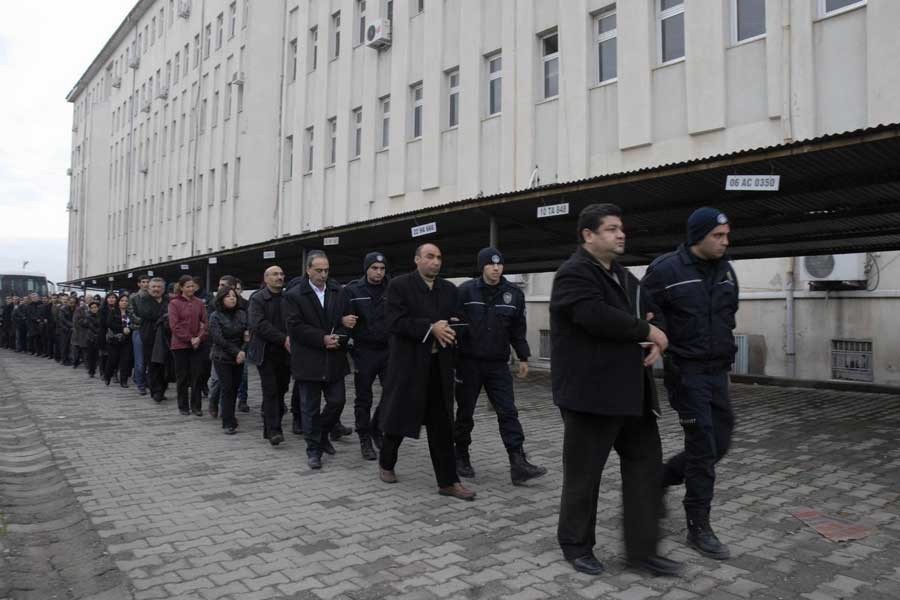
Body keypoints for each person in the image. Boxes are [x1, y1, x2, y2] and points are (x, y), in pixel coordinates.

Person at [550, 203, 681, 577]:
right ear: (587, 235)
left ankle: (642, 552)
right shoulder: (573, 275)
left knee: (645, 472)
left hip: (632, 394)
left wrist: (658, 335)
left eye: (621, 228)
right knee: (584, 475)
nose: (620, 234)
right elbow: (595, 316)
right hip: (590, 395)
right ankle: (576, 546)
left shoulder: (626, 278)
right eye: (610, 229)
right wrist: (646, 332)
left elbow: (650, 313)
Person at [641, 207, 738, 561]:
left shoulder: (726, 271)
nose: (725, 242)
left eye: (726, 236)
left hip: (717, 372)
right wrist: (662, 344)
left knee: (720, 442)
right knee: (702, 448)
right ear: (698, 235)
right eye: (718, 236)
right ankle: (699, 525)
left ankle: (659, 480)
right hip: (686, 372)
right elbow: (649, 316)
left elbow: (728, 316)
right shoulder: (666, 270)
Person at [377, 243, 475, 501]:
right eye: (430, 256)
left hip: (439, 367)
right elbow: (394, 322)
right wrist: (430, 328)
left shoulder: (448, 289)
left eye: (439, 257)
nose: (436, 261)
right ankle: (386, 462)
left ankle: (448, 482)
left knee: (443, 424)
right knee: (399, 418)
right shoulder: (400, 286)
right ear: (417, 259)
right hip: (409, 367)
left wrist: (453, 327)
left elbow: (459, 319)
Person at [454, 247, 547, 485]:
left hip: (497, 365)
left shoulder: (513, 294)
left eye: (499, 264)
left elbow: (518, 329)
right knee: (465, 413)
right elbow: (455, 327)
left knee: (508, 412)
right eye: (490, 264)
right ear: (482, 266)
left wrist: (524, 357)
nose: (496, 268)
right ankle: (460, 456)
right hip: (469, 363)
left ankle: (518, 463)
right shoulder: (465, 291)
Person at [283, 251, 351, 470]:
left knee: (337, 401)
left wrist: (340, 334)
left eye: (326, 270)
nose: (323, 274)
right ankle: (313, 450)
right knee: (309, 408)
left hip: (334, 358)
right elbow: (295, 326)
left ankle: (322, 434)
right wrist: (321, 339)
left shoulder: (337, 291)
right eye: (319, 270)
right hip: (309, 359)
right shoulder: (294, 295)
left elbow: (345, 320)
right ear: (308, 270)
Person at [340, 251, 390, 460]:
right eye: (374, 268)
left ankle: (377, 427)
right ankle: (364, 438)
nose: (378, 273)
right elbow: (344, 318)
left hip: (388, 350)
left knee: (392, 393)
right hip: (364, 351)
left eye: (382, 269)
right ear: (366, 269)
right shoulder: (353, 290)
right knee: (363, 398)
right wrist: (343, 324)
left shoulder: (393, 288)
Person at [247, 266, 292, 445]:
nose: (279, 277)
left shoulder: (288, 298)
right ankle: (274, 430)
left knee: (282, 389)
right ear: (266, 279)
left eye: (281, 274)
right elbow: (259, 324)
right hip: (266, 352)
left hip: (285, 353)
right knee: (271, 390)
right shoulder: (257, 299)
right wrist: (283, 339)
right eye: (275, 274)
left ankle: (270, 426)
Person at [209, 286, 249, 435]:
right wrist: (237, 351)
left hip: (239, 356)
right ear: (221, 299)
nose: (232, 298)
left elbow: (247, 334)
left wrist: (243, 350)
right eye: (228, 296)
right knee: (227, 387)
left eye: (234, 295)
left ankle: (230, 415)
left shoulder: (242, 314)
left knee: (235, 387)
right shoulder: (215, 316)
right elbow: (218, 339)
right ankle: (227, 421)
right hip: (222, 356)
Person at [168, 275, 209, 416]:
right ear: (181, 288)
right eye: (188, 286)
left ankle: (197, 406)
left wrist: (199, 337)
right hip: (180, 345)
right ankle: (183, 406)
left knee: (197, 376)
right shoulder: (174, 303)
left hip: (198, 345)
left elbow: (205, 322)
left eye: (193, 286)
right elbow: (175, 325)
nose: (191, 289)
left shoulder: (199, 302)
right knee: (182, 377)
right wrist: (190, 338)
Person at [133, 278, 170, 402]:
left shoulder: (167, 300)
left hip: (166, 336)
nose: (156, 289)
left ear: (163, 289)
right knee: (152, 364)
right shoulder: (144, 300)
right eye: (153, 287)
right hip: (149, 335)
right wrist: (165, 316)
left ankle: (162, 389)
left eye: (159, 287)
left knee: (165, 364)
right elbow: (147, 314)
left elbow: (171, 315)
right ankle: (155, 391)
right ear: (149, 288)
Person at [104, 295, 134, 387]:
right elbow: (109, 324)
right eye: (122, 300)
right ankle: (107, 376)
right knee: (113, 360)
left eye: (126, 301)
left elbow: (135, 324)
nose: (124, 302)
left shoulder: (131, 313)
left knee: (125, 361)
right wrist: (122, 329)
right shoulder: (113, 312)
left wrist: (130, 329)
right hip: (115, 340)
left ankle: (123, 381)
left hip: (127, 340)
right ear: (118, 302)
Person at [129, 275, 151, 394]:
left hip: (150, 330)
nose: (146, 284)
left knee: (149, 359)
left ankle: (146, 380)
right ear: (139, 284)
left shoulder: (153, 296)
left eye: (148, 282)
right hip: (139, 329)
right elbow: (131, 314)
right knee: (140, 360)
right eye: (143, 282)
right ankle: (140, 383)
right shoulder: (133, 297)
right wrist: (146, 320)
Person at [81, 300, 103, 378]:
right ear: (90, 309)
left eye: (95, 307)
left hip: (100, 338)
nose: (94, 309)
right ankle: (91, 371)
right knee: (91, 356)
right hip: (91, 338)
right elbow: (84, 324)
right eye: (92, 307)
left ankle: (101, 372)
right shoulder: (87, 316)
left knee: (100, 356)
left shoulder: (101, 316)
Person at [98, 293, 118, 376]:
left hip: (116, 334)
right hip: (104, 334)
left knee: (114, 355)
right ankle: (103, 372)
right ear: (106, 299)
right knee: (104, 355)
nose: (111, 299)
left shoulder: (118, 309)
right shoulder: (102, 309)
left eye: (113, 298)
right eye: (109, 297)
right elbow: (102, 322)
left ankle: (114, 373)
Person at [56, 296, 75, 364]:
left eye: (73, 302)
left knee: (69, 346)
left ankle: (68, 359)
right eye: (71, 302)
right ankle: (64, 360)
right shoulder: (63, 309)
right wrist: (72, 325)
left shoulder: (73, 308)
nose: (72, 303)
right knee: (64, 345)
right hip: (64, 330)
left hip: (71, 329)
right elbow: (63, 320)